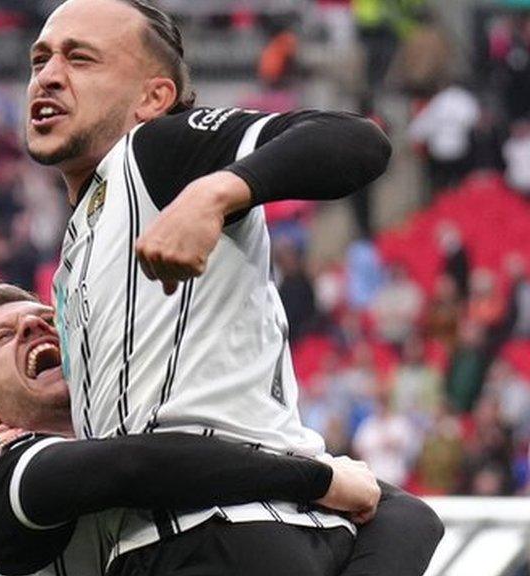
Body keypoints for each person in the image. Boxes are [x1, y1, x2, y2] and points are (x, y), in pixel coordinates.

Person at [22, 0, 441, 574]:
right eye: (40, 59)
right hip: (182, 542)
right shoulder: (78, 246)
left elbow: (356, 140)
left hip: (222, 531)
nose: (47, 75)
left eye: (81, 59)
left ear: (154, 98)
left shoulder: (152, 153)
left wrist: (215, 192)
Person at [0, 285, 442, 576]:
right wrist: (320, 481)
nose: (32, 328)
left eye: (46, 319)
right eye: (1, 337)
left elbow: (407, 515)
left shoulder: (166, 431)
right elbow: (136, 466)